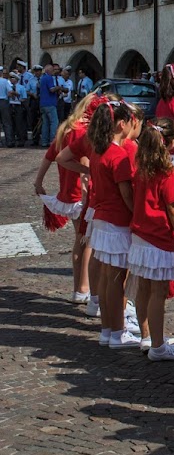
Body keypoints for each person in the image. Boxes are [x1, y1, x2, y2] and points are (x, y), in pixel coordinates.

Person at [128, 118, 174, 362]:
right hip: (158, 236)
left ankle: (146, 336)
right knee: (158, 293)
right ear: (171, 142)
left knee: (143, 288)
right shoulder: (167, 171)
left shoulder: (141, 165)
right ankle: (157, 345)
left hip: (140, 234)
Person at [33, 93, 102, 303]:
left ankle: (79, 289)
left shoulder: (67, 128)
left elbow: (49, 156)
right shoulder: (83, 131)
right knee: (87, 241)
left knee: (80, 240)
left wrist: (39, 182)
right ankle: (84, 289)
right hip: (81, 193)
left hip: (69, 192)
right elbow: (83, 163)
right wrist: (88, 177)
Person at [85, 98, 139, 350]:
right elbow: (126, 194)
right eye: (129, 121)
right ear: (120, 124)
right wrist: (137, 215)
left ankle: (108, 329)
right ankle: (118, 331)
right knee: (117, 281)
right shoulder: (118, 155)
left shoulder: (98, 149)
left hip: (102, 220)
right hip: (117, 221)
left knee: (108, 279)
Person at [38, 62, 60, 148]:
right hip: (50, 103)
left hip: (43, 104)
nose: (53, 72)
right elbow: (51, 89)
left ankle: (44, 141)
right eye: (52, 70)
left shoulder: (42, 78)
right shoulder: (49, 78)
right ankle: (52, 141)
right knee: (54, 122)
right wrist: (58, 87)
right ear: (48, 70)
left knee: (45, 123)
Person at [7, 72, 27, 147]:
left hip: (18, 105)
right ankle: (12, 140)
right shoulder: (8, 86)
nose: (11, 80)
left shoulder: (21, 87)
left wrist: (18, 97)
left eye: (13, 78)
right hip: (10, 105)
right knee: (11, 124)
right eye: (11, 78)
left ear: (16, 79)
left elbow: (24, 97)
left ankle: (21, 140)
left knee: (19, 124)